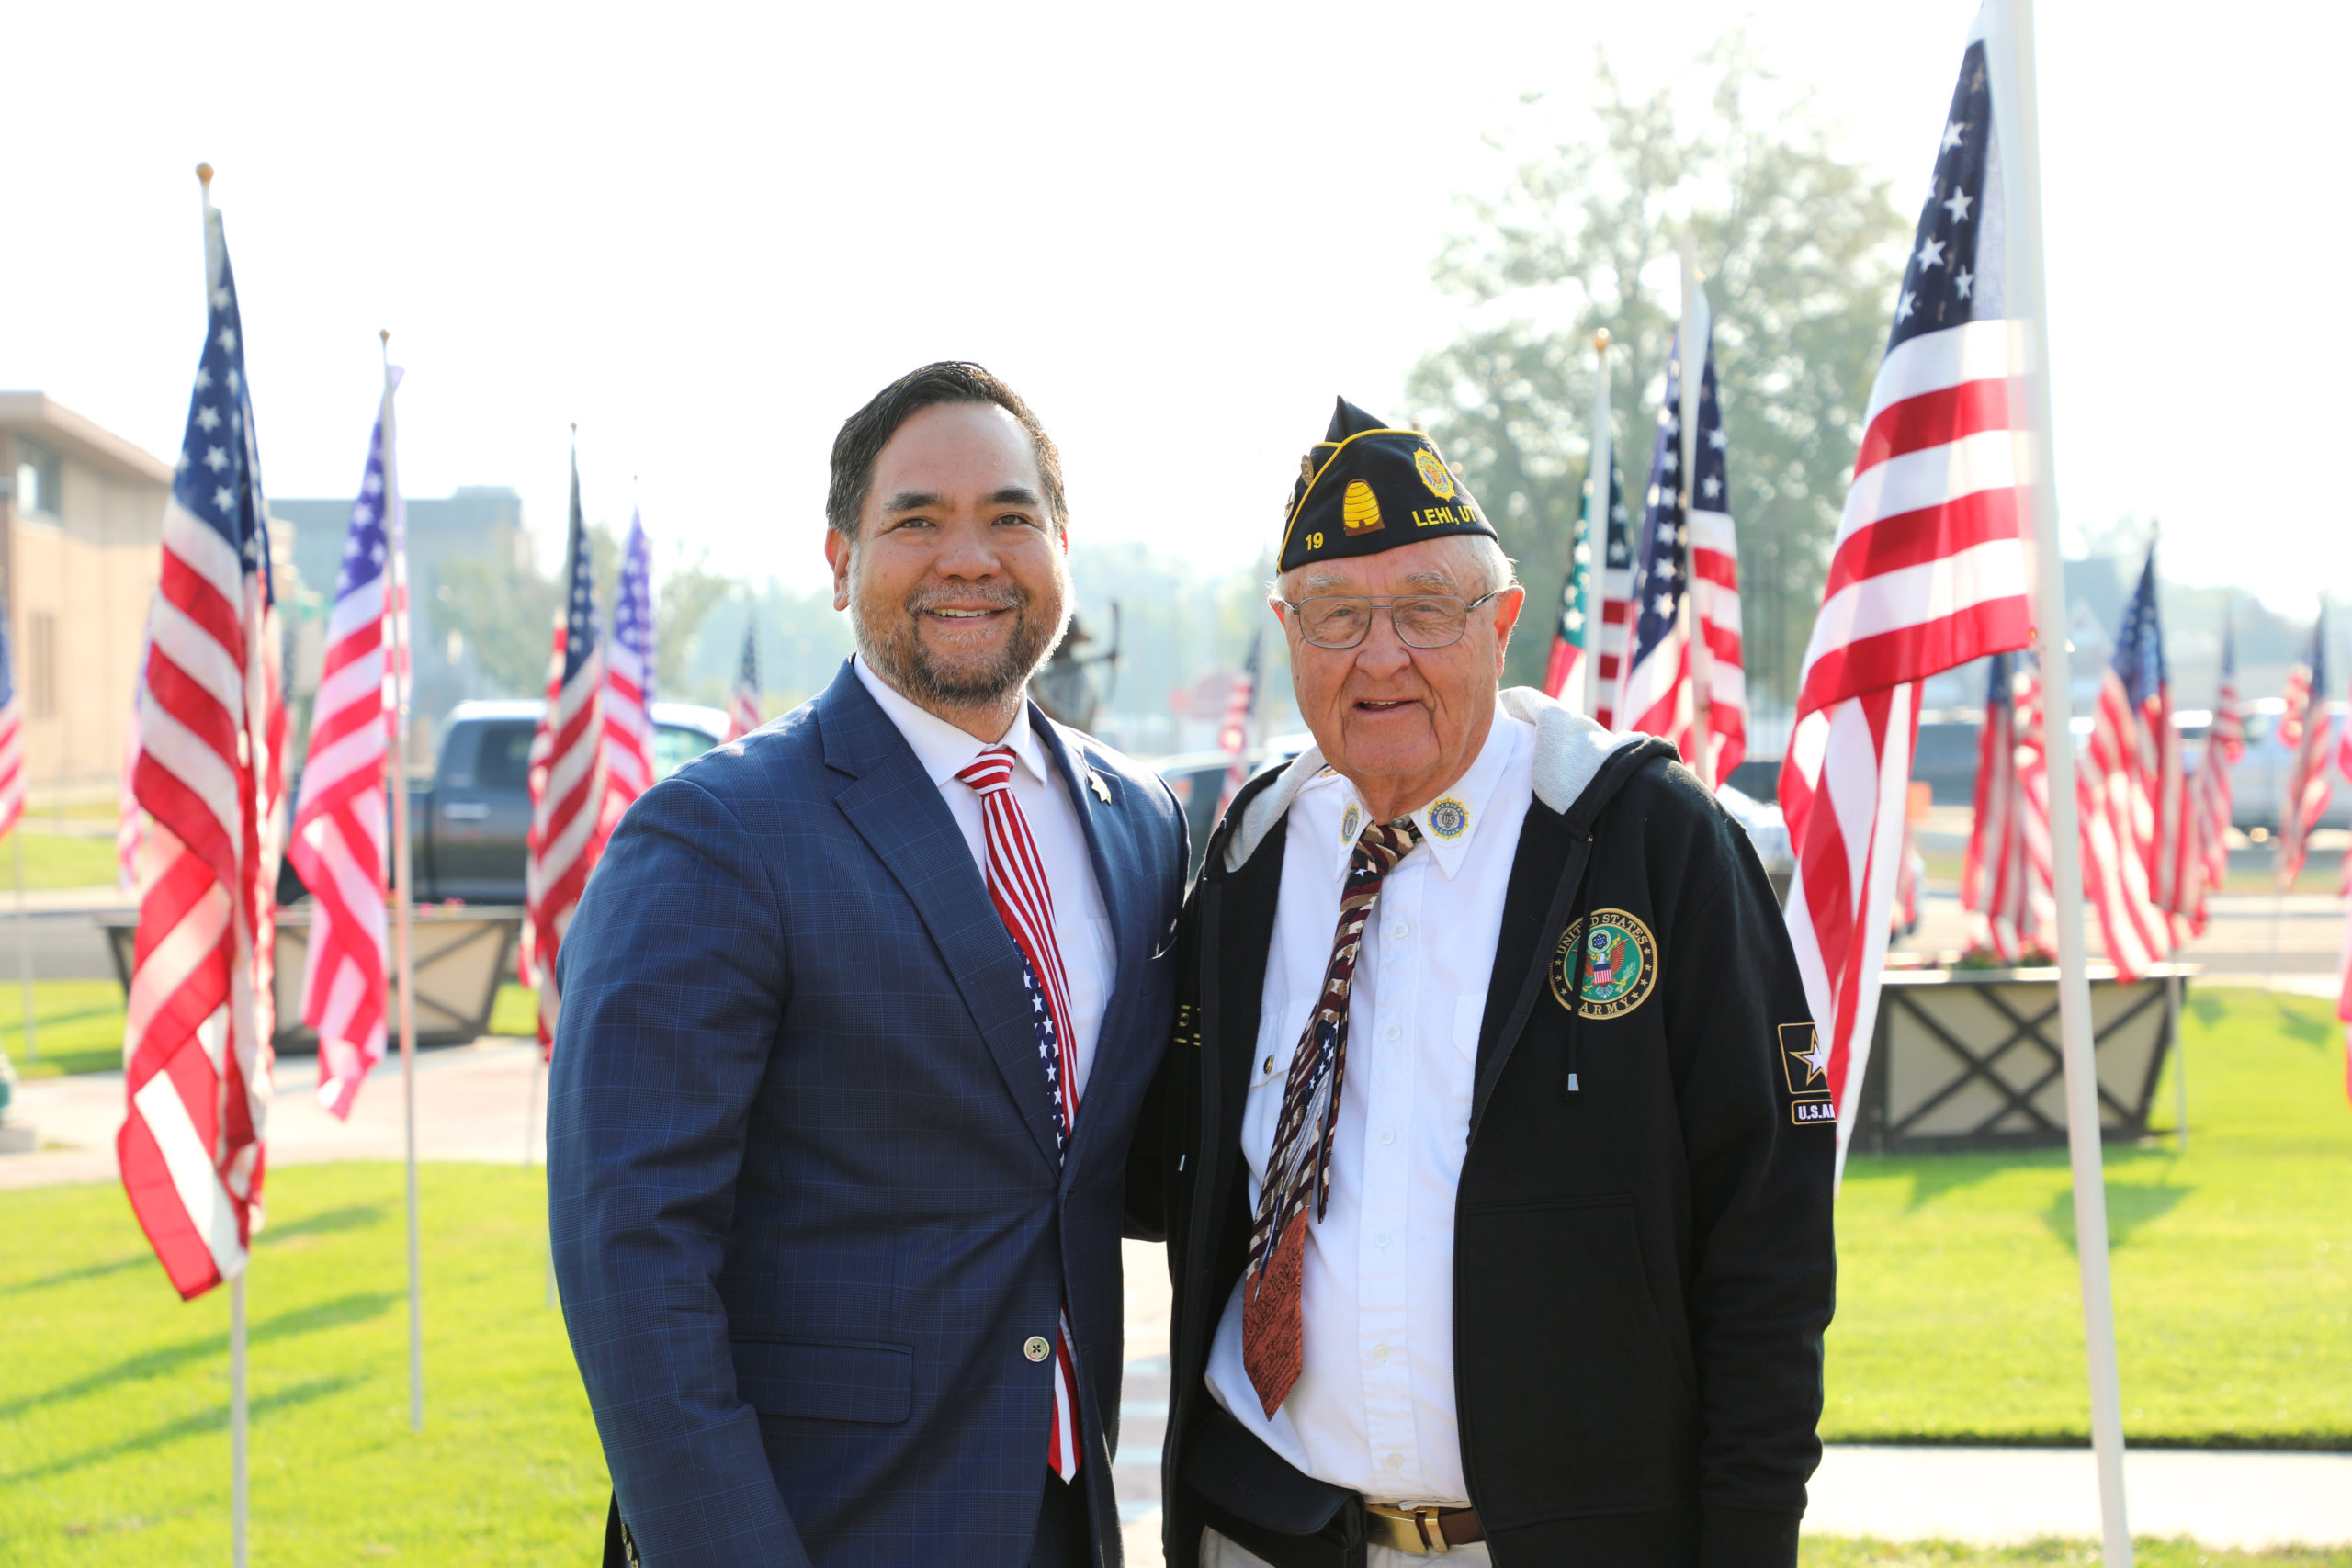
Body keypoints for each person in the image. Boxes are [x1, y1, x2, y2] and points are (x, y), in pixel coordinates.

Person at [1139, 399, 1835, 1567]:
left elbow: (1766, 1223)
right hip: (1269, 1529)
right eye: (1336, 615)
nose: (1379, 656)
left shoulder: (1649, 840)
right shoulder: (1252, 849)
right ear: (1286, 630)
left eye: (1423, 610)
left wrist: (1751, 1537)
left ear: (1502, 620)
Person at [549, 362, 1188, 1568]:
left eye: (1010, 516)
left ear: (1061, 547)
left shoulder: (1138, 820)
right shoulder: (717, 836)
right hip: (822, 1520)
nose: (969, 555)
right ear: (840, 560)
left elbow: (1126, 1158)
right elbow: (628, 1259)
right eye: (916, 520)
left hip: (1066, 1510)